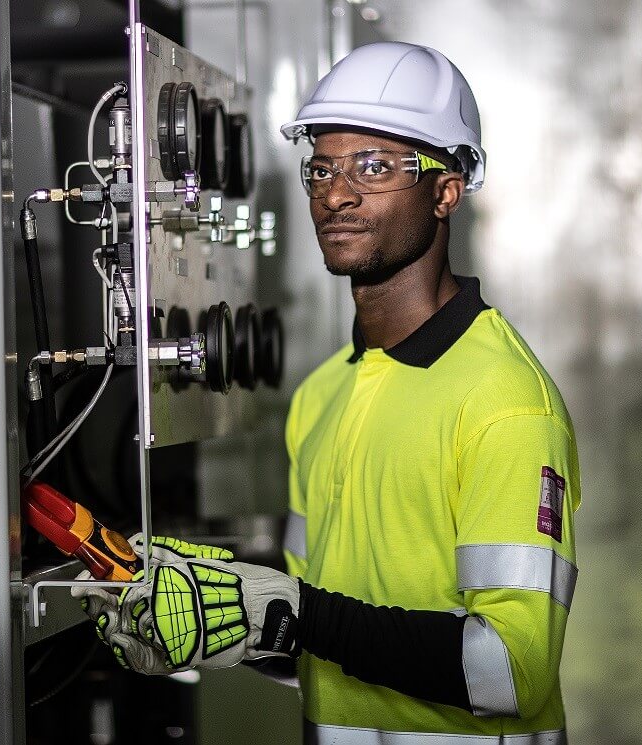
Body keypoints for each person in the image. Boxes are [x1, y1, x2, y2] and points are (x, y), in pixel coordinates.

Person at [76, 41, 580, 744]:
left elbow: (510, 670)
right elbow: (322, 638)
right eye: (322, 167)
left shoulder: (503, 402)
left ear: (446, 189)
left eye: (374, 167)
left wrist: (295, 612)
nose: (336, 193)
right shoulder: (322, 395)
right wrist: (224, 620)